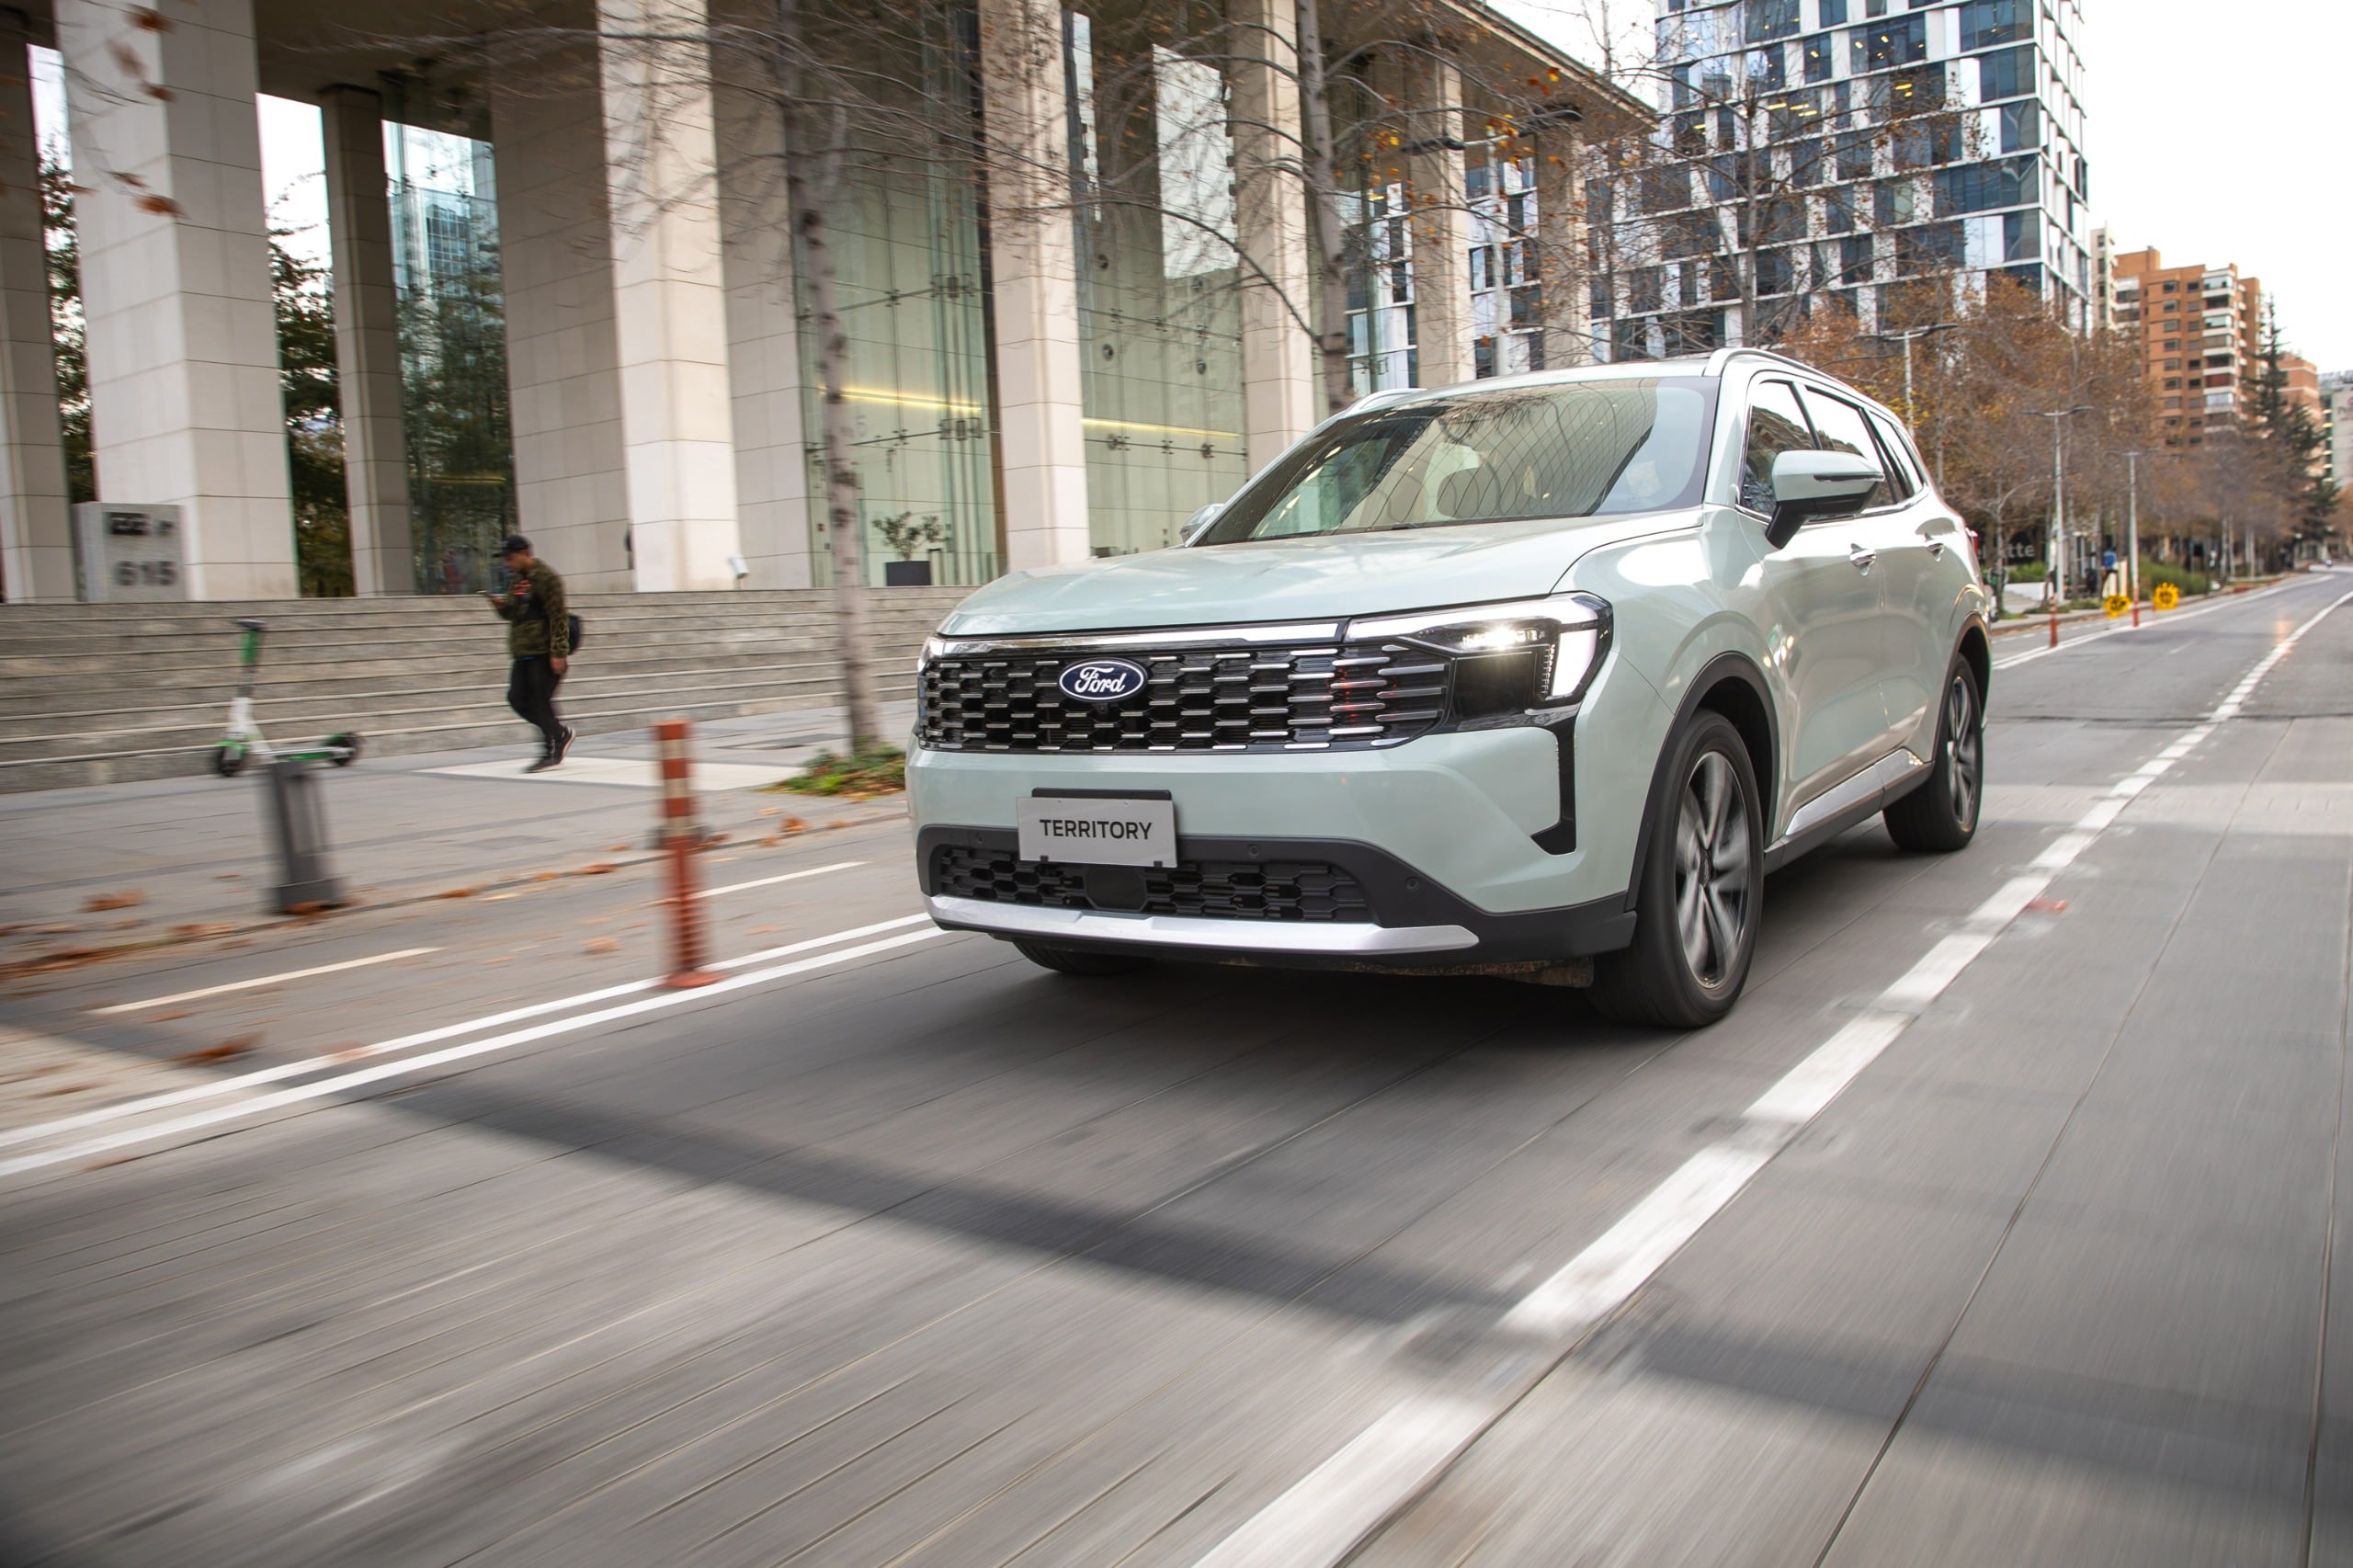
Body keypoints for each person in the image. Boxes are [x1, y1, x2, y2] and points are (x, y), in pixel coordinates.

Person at [484, 534, 574, 772]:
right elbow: (514, 614)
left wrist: (559, 653)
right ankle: (560, 733)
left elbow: (558, 617)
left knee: (540, 700)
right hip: (522, 650)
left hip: (543, 651)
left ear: (525, 553)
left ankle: (550, 751)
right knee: (517, 698)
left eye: (511, 558)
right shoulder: (518, 580)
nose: (508, 564)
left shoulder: (547, 578)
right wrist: (501, 606)